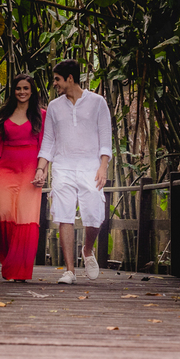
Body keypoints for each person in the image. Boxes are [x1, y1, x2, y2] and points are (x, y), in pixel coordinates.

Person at [32, 59, 112, 284]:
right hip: (63, 167)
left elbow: (105, 137)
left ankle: (87, 250)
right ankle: (70, 270)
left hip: (90, 167)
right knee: (63, 214)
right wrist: (41, 169)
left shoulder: (98, 102)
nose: (54, 83)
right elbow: (48, 141)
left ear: (70, 78)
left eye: (57, 79)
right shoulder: (55, 107)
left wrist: (103, 167)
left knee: (94, 213)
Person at [0, 72, 47, 281]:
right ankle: (9, 258)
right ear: (13, 91)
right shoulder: (4, 115)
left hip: (30, 170)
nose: (22, 92)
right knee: (2, 214)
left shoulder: (41, 115)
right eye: (18, 88)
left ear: (32, 91)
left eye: (26, 88)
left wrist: (43, 171)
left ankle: (20, 269)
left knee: (25, 219)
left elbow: (46, 148)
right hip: (6, 169)